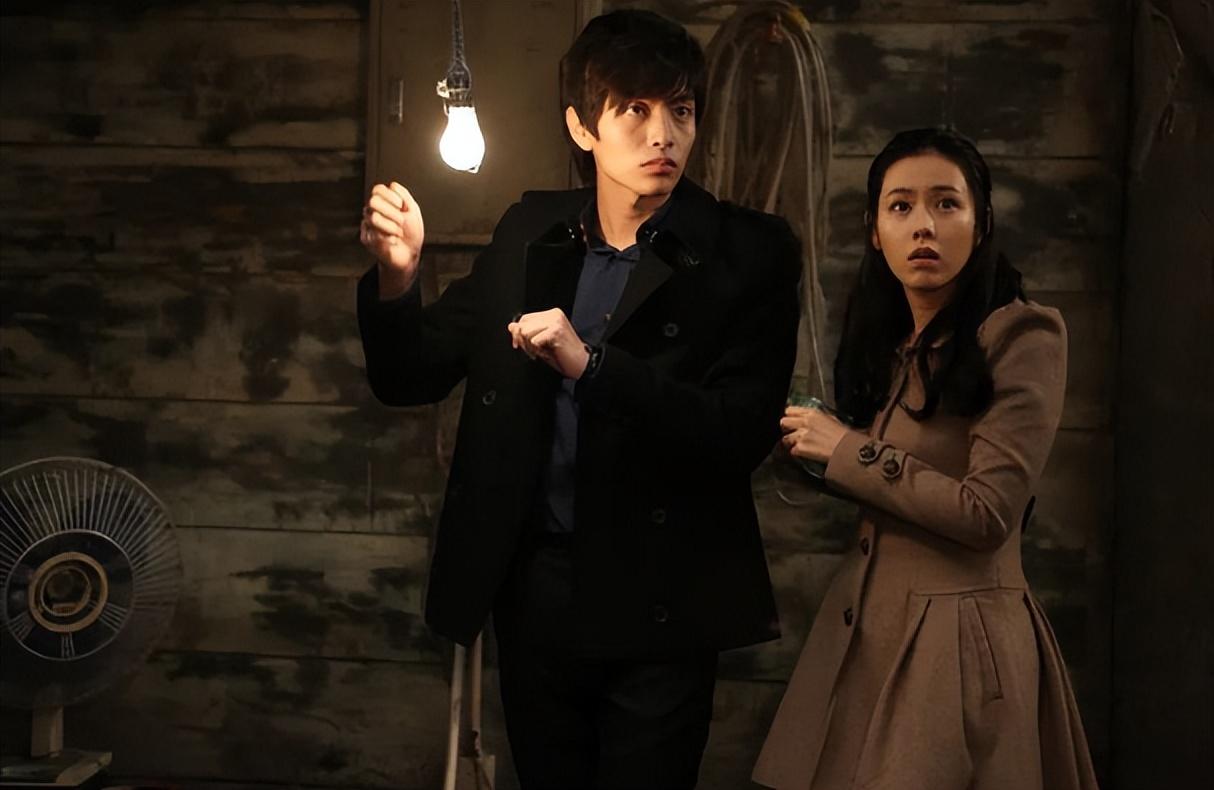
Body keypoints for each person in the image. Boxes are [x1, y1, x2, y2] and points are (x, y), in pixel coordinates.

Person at [357, 10, 801, 789]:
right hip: (538, 591)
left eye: (680, 110)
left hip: (662, 596)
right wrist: (399, 277)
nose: (663, 135)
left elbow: (738, 432)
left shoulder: (747, 250)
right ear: (581, 125)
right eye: (635, 109)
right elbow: (409, 376)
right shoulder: (533, 229)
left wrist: (593, 367)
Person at [753, 127, 1100, 790]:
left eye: (946, 203)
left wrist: (847, 450)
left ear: (981, 221)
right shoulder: (896, 344)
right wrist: (808, 448)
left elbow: (987, 513)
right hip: (870, 639)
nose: (923, 226)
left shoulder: (1022, 333)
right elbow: (889, 479)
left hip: (958, 654)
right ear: (874, 230)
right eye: (900, 206)